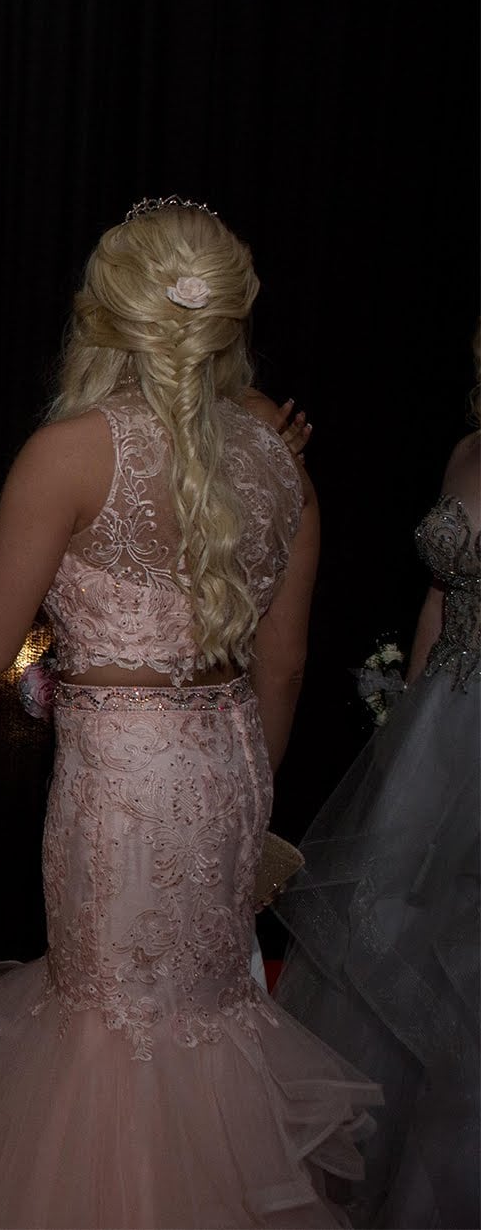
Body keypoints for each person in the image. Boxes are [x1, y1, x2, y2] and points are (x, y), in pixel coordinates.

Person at [0, 198, 379, 1228]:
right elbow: (280, 669)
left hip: (118, 780)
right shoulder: (278, 458)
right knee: (204, 1014)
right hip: (231, 767)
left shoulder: (67, 451)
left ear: (100, 312)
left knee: (109, 1022)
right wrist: (245, 803)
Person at [274, 380, 480, 1229]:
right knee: (388, 932)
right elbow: (437, 594)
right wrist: (404, 727)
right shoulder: (468, 448)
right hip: (439, 724)